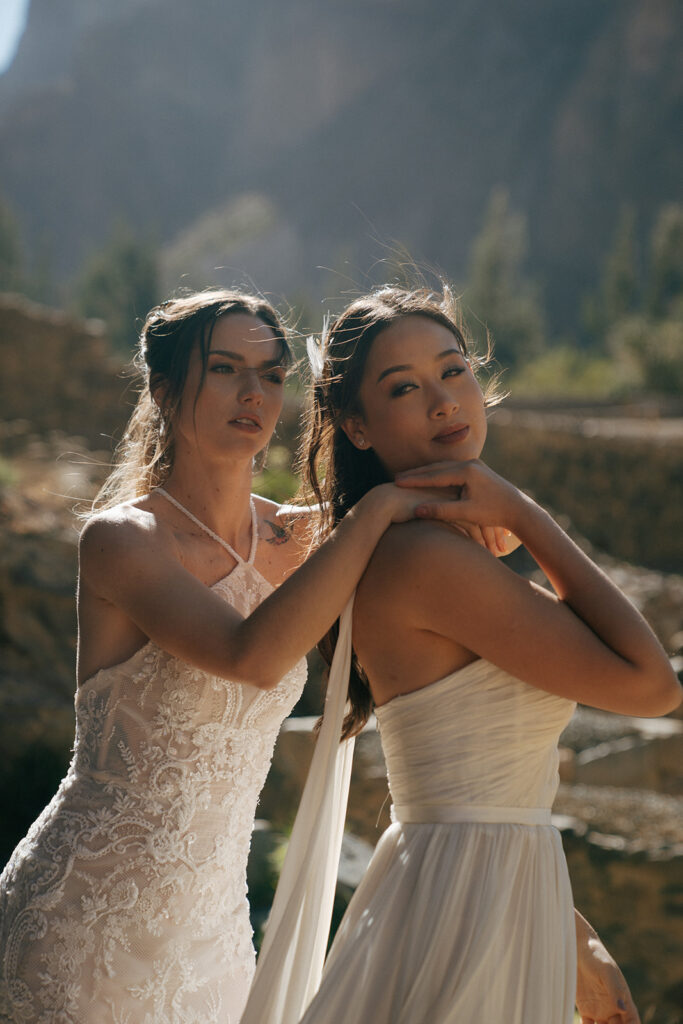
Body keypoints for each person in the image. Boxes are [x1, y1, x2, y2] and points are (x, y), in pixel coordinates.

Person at [0, 288, 466, 1024]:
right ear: (161, 388)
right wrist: (376, 510)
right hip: (85, 919)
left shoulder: (304, 539)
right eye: (224, 369)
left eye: (273, 375)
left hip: (215, 933)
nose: (253, 393)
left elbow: (445, 513)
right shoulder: (123, 539)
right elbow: (248, 655)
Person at [240, 285, 680, 1024]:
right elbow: (650, 685)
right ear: (356, 425)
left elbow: (473, 789)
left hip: (469, 889)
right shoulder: (423, 560)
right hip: (471, 911)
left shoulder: (413, 551)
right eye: (403, 388)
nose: (443, 401)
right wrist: (524, 513)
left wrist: (572, 940)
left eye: (453, 371)